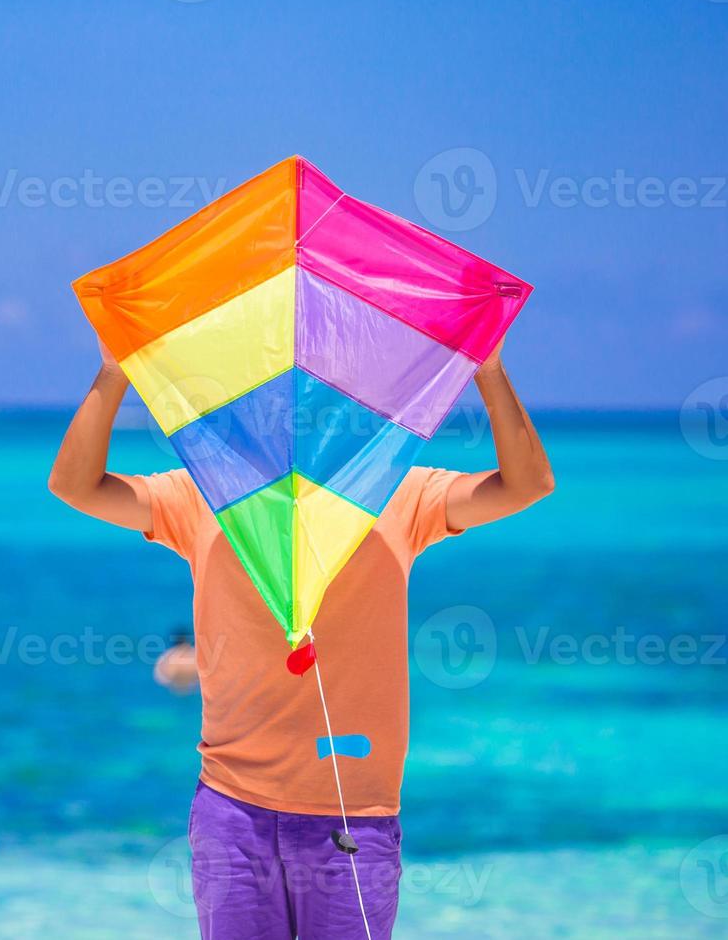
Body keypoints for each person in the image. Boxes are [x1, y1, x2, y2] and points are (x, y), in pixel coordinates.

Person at [48, 338, 553, 939]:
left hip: (352, 816)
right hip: (233, 810)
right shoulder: (207, 493)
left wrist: (488, 370)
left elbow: (526, 485)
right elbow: (75, 485)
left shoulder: (395, 493)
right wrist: (113, 371)